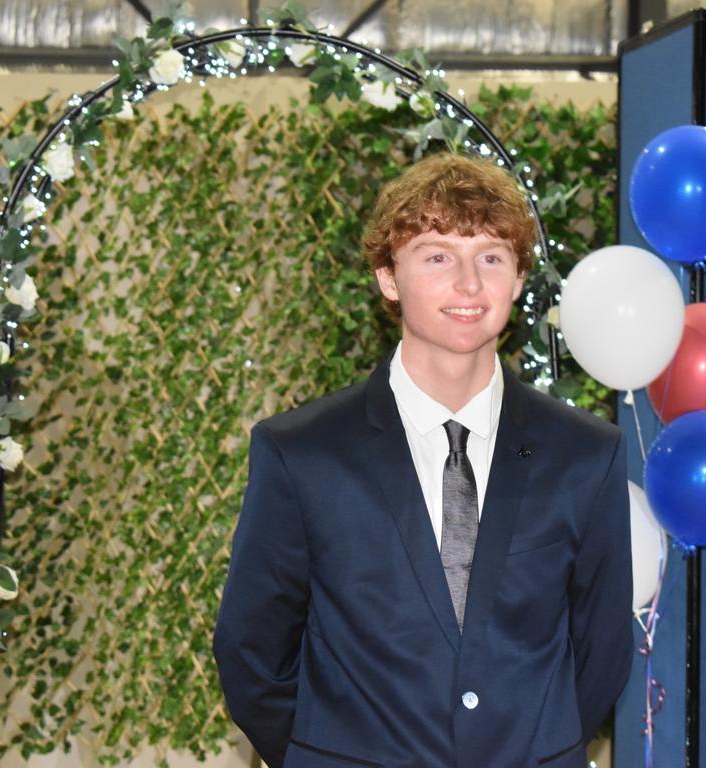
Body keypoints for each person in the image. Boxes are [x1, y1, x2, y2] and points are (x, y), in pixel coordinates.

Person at [213, 152, 632, 768]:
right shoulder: (302, 453)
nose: (469, 285)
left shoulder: (587, 454)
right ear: (388, 276)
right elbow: (251, 653)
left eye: (490, 257)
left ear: (518, 279)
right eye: (438, 256)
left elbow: (603, 650)